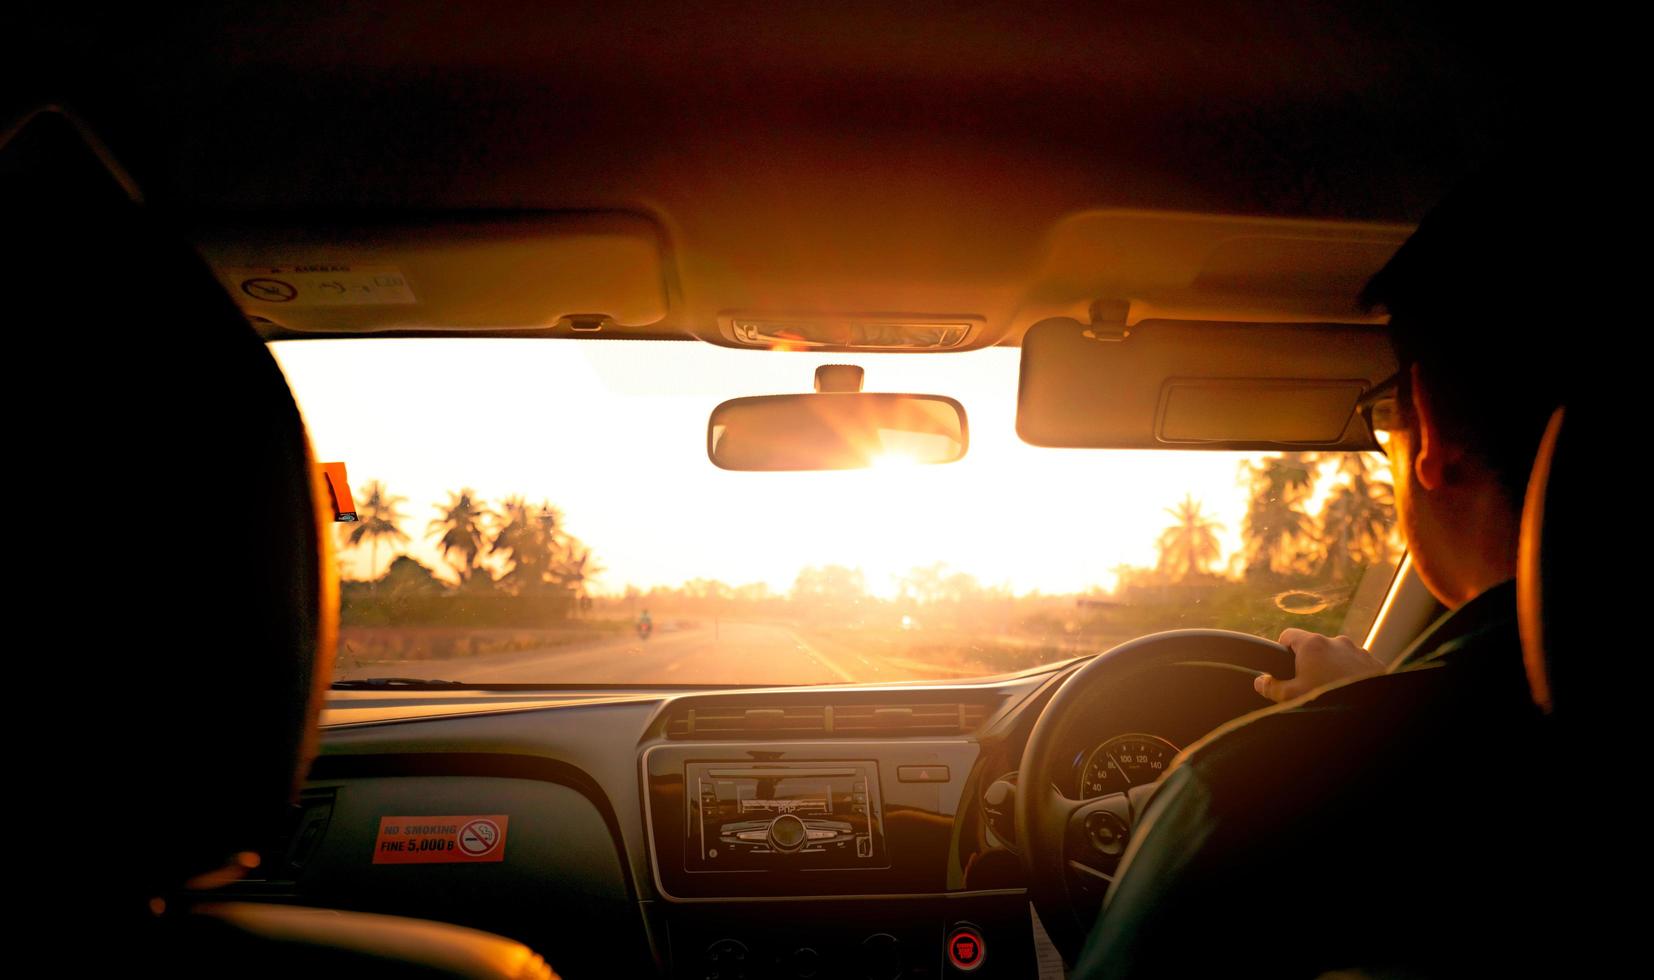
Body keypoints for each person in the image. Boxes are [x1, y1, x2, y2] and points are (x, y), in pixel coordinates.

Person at [1072, 172, 1571, 978]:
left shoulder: (1249, 795)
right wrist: (1378, 699)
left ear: (1431, 427)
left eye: (1386, 417)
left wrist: (1356, 730)